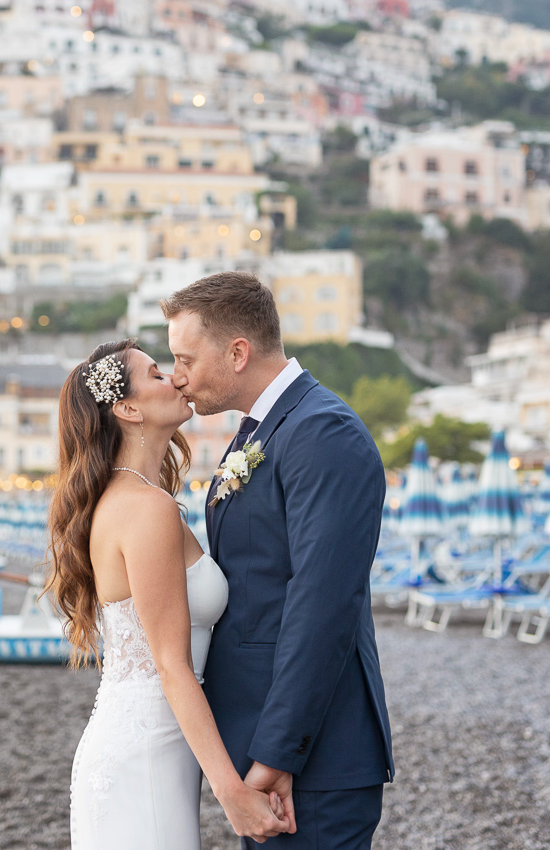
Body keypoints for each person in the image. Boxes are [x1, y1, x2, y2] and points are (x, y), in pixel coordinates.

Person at [163, 271, 395, 850]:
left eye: (186, 357)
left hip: (312, 759)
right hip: (266, 745)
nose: (177, 376)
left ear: (238, 352)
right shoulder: (261, 431)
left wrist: (276, 753)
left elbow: (322, 606)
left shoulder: (324, 433)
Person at [46, 339, 290, 849]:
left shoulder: (133, 499)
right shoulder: (145, 508)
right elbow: (171, 665)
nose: (177, 379)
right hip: (146, 756)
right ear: (128, 409)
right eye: (157, 374)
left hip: (150, 745)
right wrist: (233, 795)